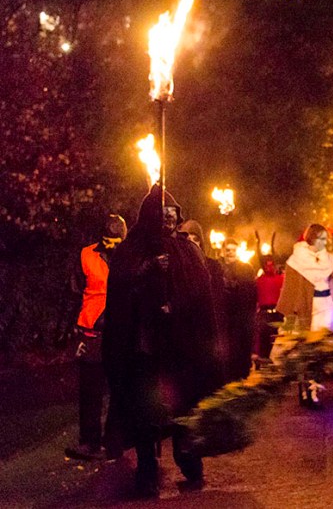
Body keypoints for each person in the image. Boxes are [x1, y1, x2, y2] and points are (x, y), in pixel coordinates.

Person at [102, 185, 219, 497]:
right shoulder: (130, 251)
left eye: (173, 216)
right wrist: (148, 271)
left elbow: (201, 296)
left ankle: (188, 457)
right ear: (150, 216)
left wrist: (176, 304)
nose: (168, 221)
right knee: (144, 409)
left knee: (183, 405)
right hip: (144, 346)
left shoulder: (188, 250)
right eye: (162, 215)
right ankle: (146, 467)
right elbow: (121, 294)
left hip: (180, 346)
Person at [64, 214, 127, 461]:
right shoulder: (86, 255)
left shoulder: (130, 256)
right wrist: (75, 327)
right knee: (90, 390)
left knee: (120, 389)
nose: (112, 245)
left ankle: (115, 440)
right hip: (93, 333)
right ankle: (89, 441)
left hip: (120, 331)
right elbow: (74, 292)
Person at [276, 224, 333, 406]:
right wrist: (290, 315)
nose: (325, 242)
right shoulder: (297, 260)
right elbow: (290, 288)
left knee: (320, 351)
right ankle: (305, 390)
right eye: (321, 239)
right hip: (307, 310)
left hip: (325, 307)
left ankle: (315, 390)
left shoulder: (328, 259)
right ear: (311, 239)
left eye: (326, 239)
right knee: (306, 351)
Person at [178, 219, 230, 383]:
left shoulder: (213, 266)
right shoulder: (176, 266)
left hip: (208, 327)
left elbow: (218, 299)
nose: (192, 243)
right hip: (186, 329)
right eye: (188, 238)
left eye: (196, 238)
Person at [220, 238, 258, 381]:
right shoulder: (217, 267)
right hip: (225, 318)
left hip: (242, 318)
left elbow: (251, 294)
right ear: (223, 251)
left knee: (241, 352)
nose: (230, 253)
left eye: (233, 250)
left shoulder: (246, 269)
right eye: (227, 250)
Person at [254, 254, 285, 363]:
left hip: (278, 312)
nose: (269, 267)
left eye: (271, 264)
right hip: (264, 313)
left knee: (278, 339)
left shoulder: (281, 279)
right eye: (267, 264)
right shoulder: (258, 281)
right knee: (264, 340)